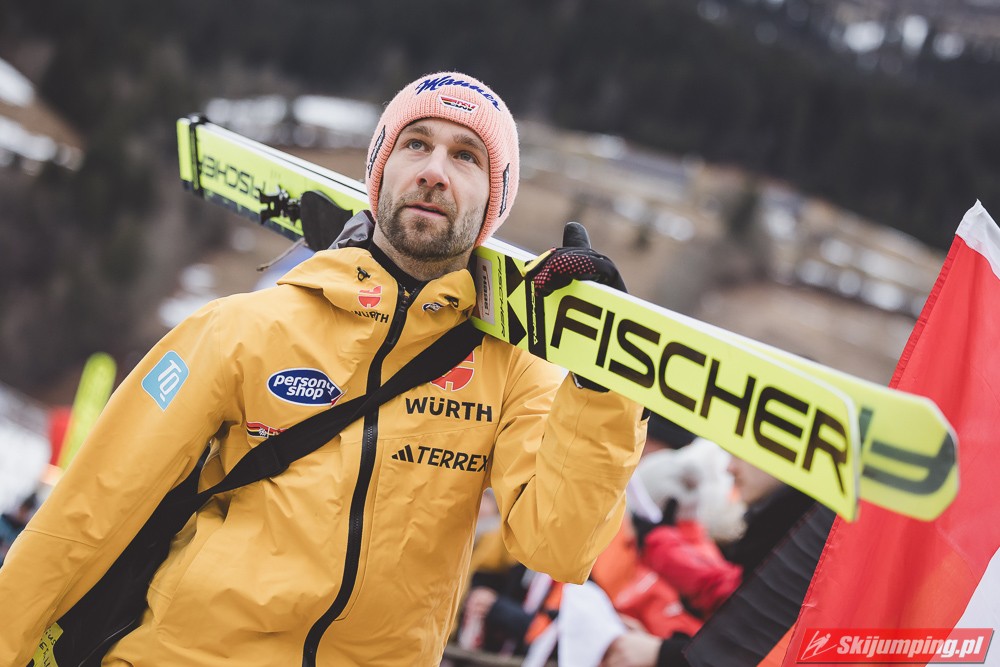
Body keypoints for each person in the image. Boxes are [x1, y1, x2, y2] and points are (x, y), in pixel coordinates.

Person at [0, 72, 646, 667]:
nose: (434, 171)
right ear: (380, 169)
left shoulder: (513, 371)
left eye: (466, 156)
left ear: (494, 199)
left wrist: (600, 376)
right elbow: (86, 514)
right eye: (415, 144)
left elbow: (557, 545)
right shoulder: (245, 327)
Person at [601, 455, 816, 667]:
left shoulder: (805, 546)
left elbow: (750, 643)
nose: (729, 468)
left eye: (742, 456)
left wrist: (662, 653)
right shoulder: (784, 536)